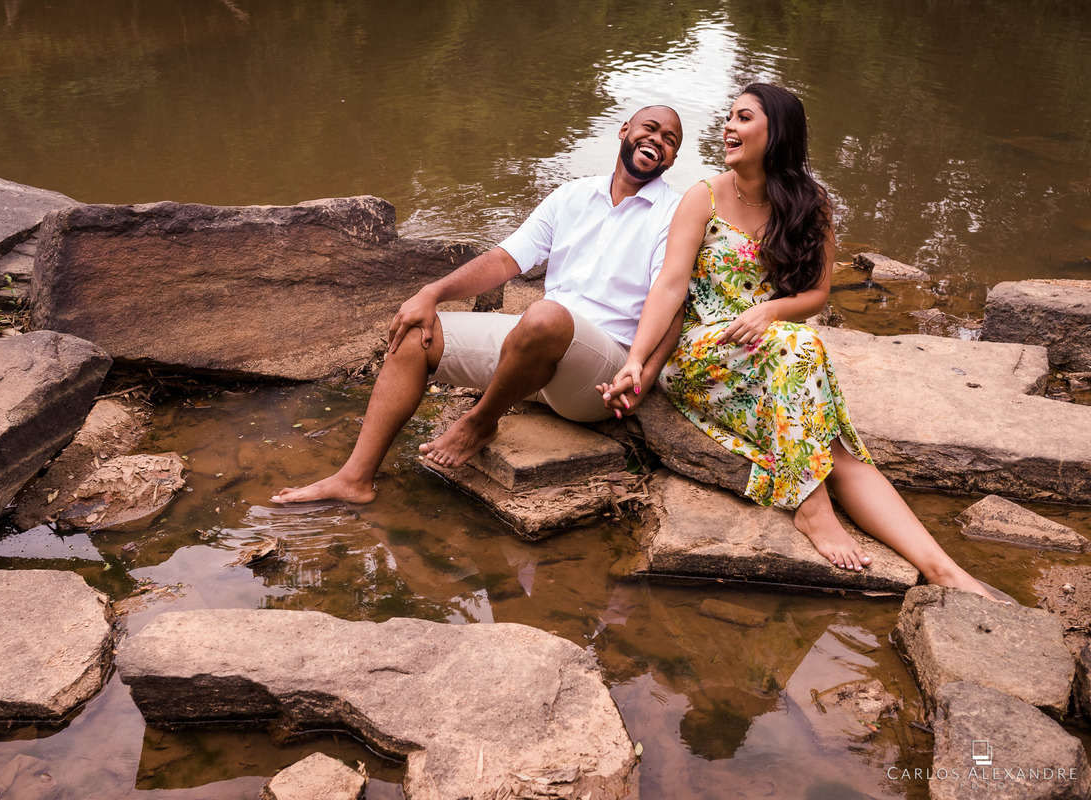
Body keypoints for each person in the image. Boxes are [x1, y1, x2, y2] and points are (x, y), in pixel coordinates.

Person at [600, 84, 994, 599]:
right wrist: (636, 360)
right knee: (801, 352)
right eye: (730, 117)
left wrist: (770, 310)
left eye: (743, 118)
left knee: (837, 449)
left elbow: (817, 294)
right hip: (703, 355)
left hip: (776, 349)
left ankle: (945, 571)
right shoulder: (704, 196)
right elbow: (670, 286)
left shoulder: (812, 203)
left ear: (777, 132)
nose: (728, 127)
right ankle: (812, 507)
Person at [272, 105, 687, 505]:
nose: (657, 140)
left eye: (670, 140)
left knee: (544, 316)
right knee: (416, 334)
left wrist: (644, 377)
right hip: (535, 357)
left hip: (599, 375)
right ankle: (354, 479)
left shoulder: (674, 214)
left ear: (671, 160)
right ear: (624, 129)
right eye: (650, 128)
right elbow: (505, 260)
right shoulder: (573, 195)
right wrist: (431, 293)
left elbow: (675, 302)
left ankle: (480, 423)